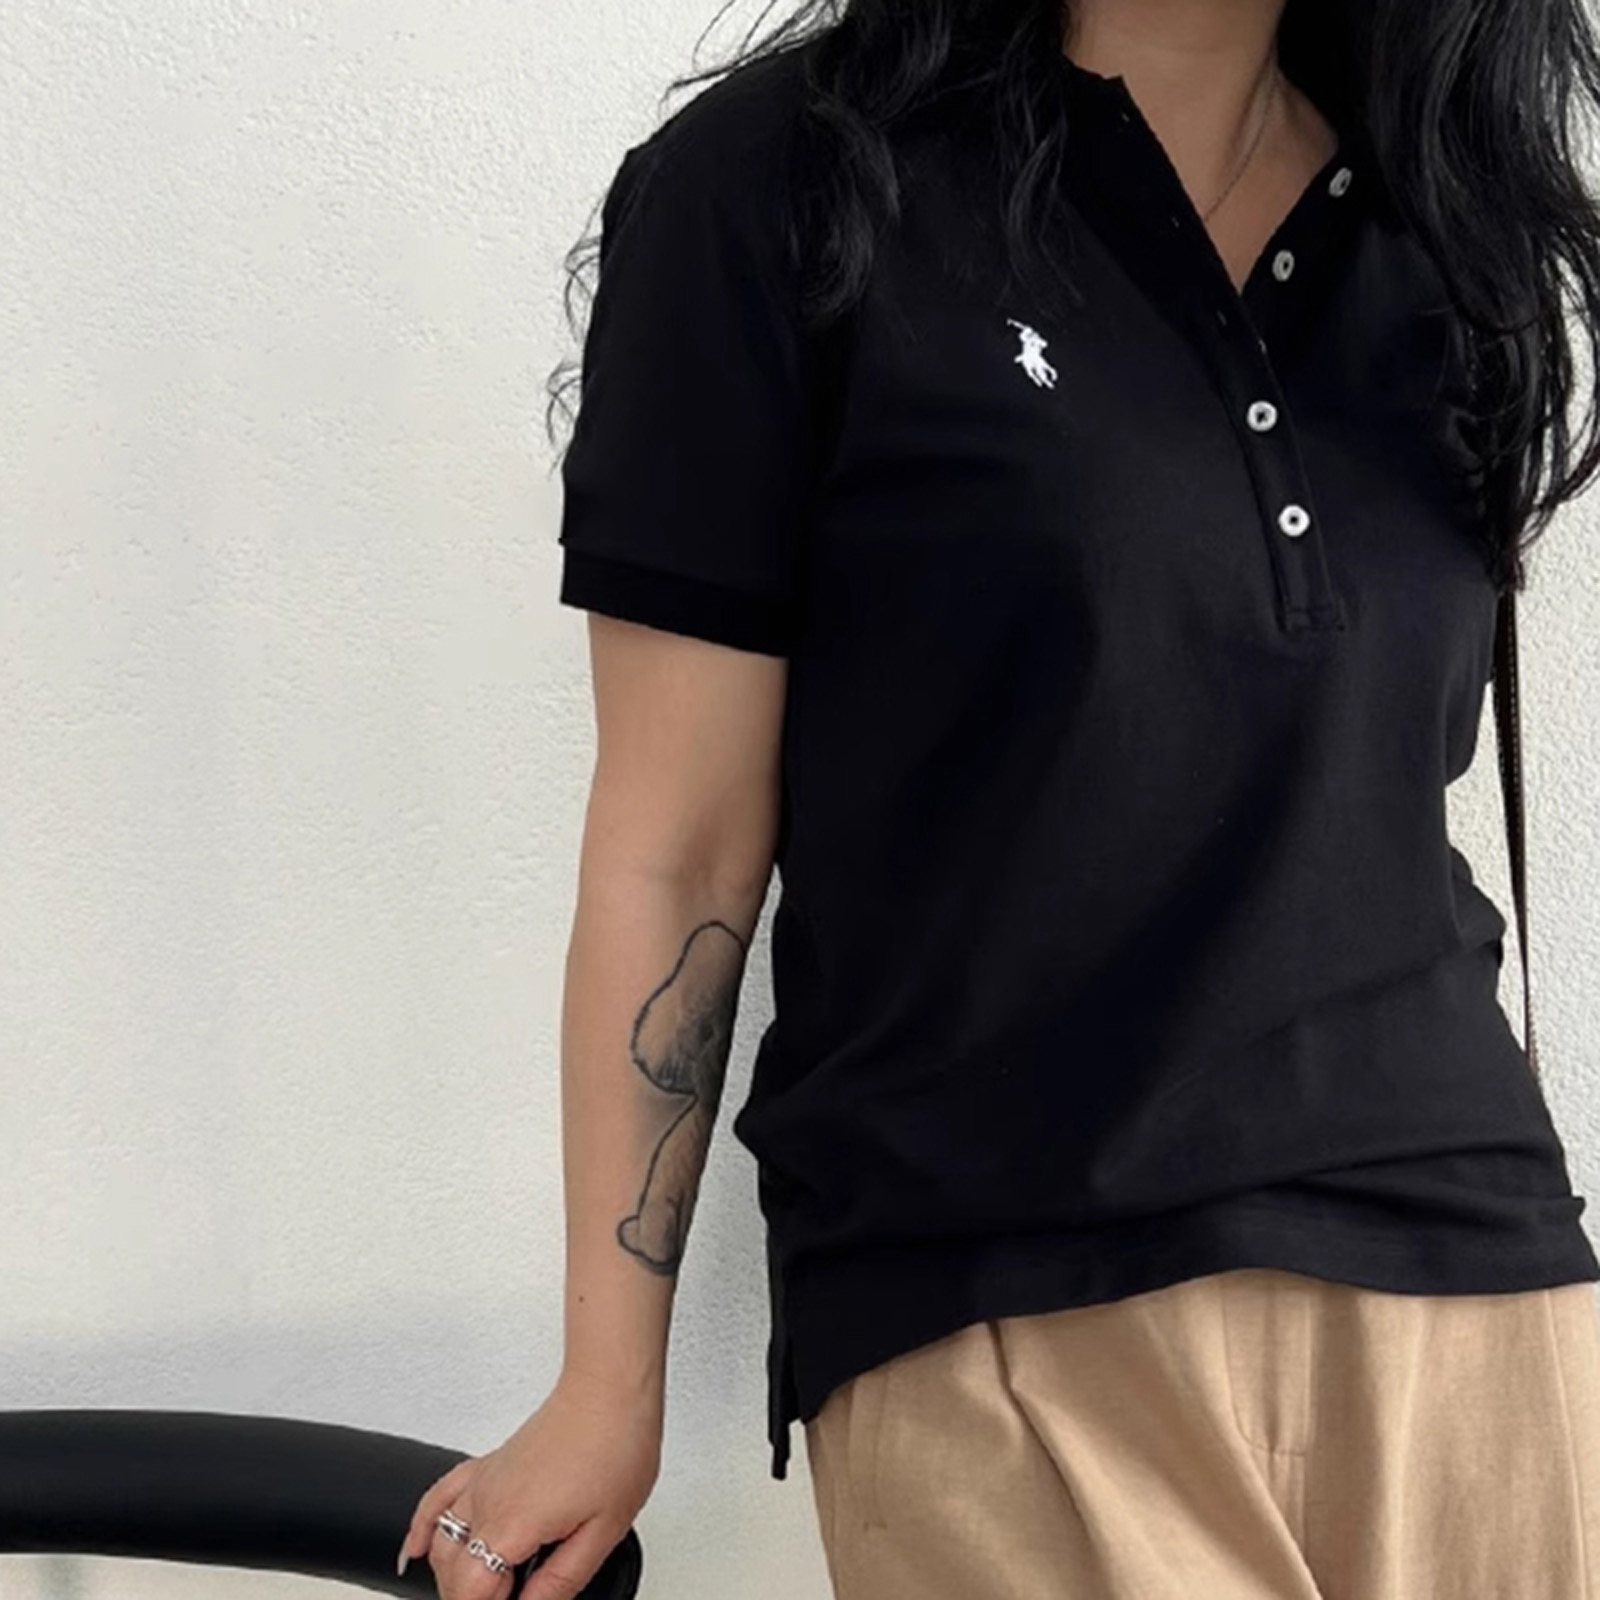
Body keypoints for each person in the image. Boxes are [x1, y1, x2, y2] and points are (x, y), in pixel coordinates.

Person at [396, 1, 1600, 1596]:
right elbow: (677, 846)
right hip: (1004, 1298)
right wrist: (605, 1390)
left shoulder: (1448, 221)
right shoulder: (785, 184)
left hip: (1483, 1296)